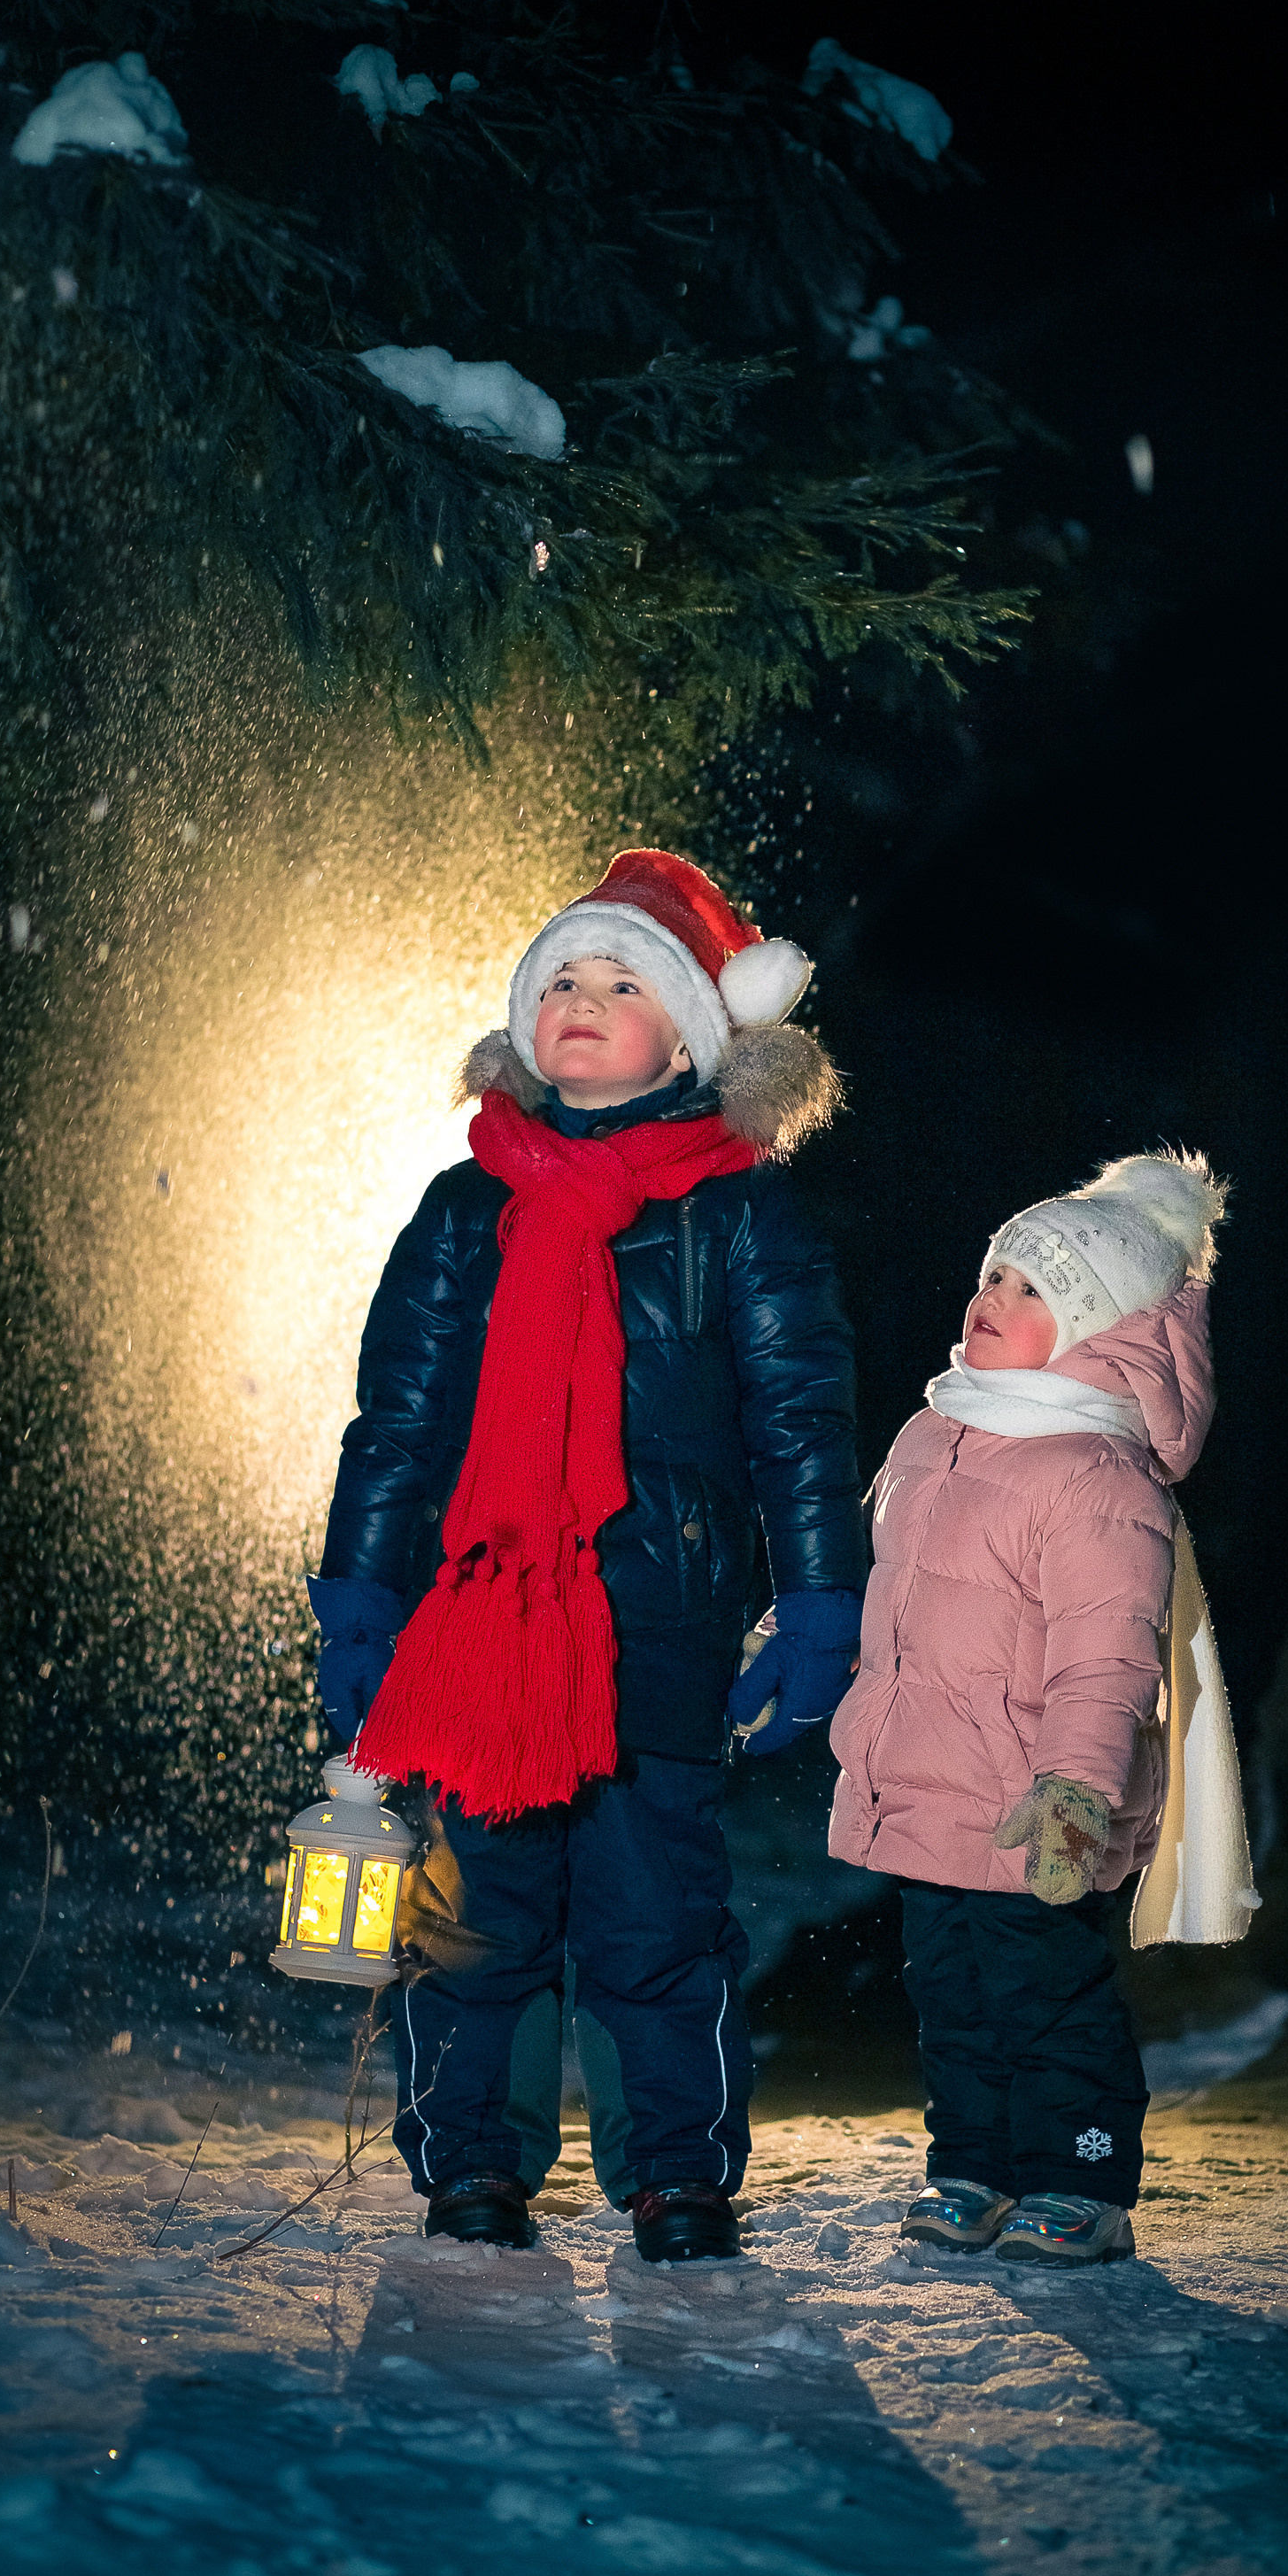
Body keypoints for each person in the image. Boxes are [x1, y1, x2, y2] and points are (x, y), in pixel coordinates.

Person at [309, 849, 866, 2263]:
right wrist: (365, 1597)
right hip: (485, 1623)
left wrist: (815, 1604)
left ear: (687, 1034)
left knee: (653, 1914)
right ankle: (473, 2163)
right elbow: (399, 1419)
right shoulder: (463, 1211)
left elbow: (801, 1420)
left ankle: (677, 2169)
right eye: (562, 976)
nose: (584, 1000)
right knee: (479, 1913)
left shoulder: (739, 1215)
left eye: (625, 982)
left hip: (657, 1625)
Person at [825, 1153, 1229, 2265]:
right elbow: (896, 1594)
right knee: (950, 1991)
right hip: (928, 1782)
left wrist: (1076, 1789)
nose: (989, 1301)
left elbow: (1109, 1657)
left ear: (1100, 1328)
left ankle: (1079, 2175)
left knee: (1044, 1989)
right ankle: (974, 2166)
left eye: (1031, 1289)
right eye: (994, 1276)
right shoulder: (936, 1430)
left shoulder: (1097, 1474)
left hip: (1032, 1797)